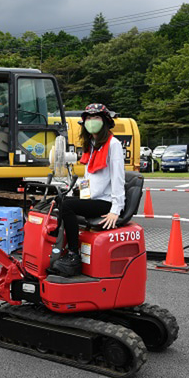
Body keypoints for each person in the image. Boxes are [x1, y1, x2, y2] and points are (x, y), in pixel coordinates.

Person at [53, 103, 126, 277]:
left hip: (106, 202)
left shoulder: (113, 144)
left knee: (67, 206)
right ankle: (59, 249)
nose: (92, 121)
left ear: (105, 121)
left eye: (96, 118)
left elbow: (118, 178)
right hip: (93, 197)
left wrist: (116, 209)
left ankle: (73, 255)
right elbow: (89, 178)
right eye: (89, 118)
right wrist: (78, 192)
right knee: (57, 201)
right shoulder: (93, 144)